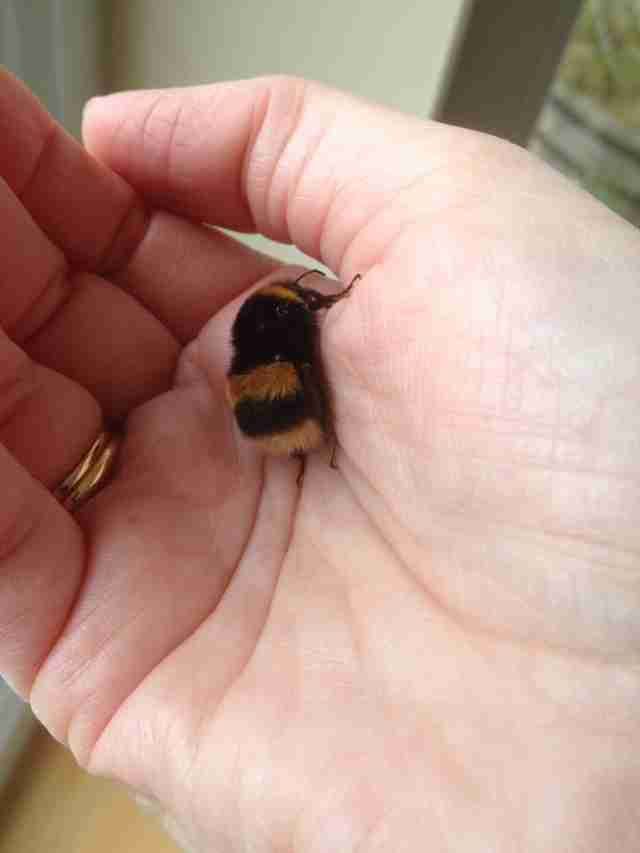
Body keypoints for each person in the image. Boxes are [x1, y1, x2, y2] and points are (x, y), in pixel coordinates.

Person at [0, 68, 638, 852]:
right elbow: (302, 341)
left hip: (271, 431)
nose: (316, 306)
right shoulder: (291, 316)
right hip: (282, 427)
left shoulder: (267, 331)